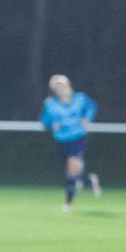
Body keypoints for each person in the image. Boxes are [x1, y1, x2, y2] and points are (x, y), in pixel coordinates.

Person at [39, 74, 102, 212]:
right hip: (61, 139)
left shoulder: (80, 98)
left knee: (72, 168)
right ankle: (89, 181)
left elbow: (92, 107)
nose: (60, 89)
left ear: (68, 85)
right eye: (56, 87)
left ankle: (68, 202)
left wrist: (87, 118)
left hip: (77, 136)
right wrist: (51, 124)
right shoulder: (51, 104)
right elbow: (44, 121)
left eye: (61, 85)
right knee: (76, 171)